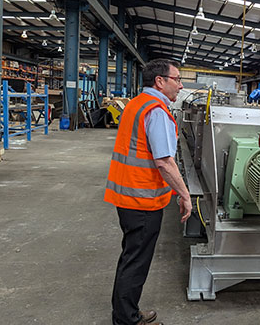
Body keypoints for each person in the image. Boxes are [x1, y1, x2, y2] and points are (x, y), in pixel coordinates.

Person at [104, 59, 192, 325]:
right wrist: (185, 195)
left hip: (127, 196)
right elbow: (164, 161)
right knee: (136, 262)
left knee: (130, 256)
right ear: (160, 81)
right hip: (142, 200)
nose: (181, 85)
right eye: (177, 79)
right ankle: (127, 319)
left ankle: (124, 312)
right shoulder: (156, 111)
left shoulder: (136, 104)